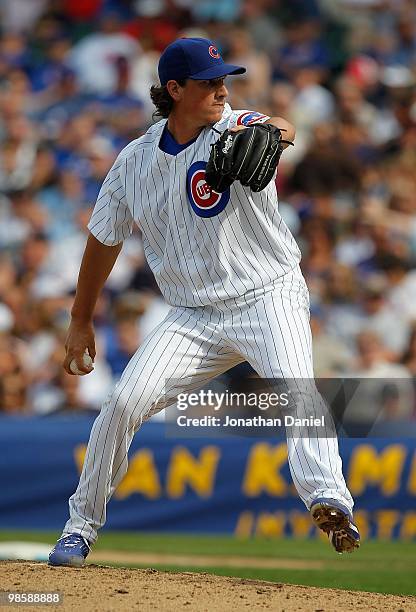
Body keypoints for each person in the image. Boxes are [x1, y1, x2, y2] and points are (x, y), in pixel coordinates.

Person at [48, 37, 359, 567]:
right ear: (174, 90)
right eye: (209, 81)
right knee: (122, 404)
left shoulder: (233, 126)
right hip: (193, 315)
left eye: (224, 79)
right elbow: (103, 238)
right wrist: (80, 320)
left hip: (267, 294)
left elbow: (282, 127)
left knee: (297, 391)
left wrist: (273, 133)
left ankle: (328, 497)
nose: (221, 89)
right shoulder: (133, 163)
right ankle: (79, 527)